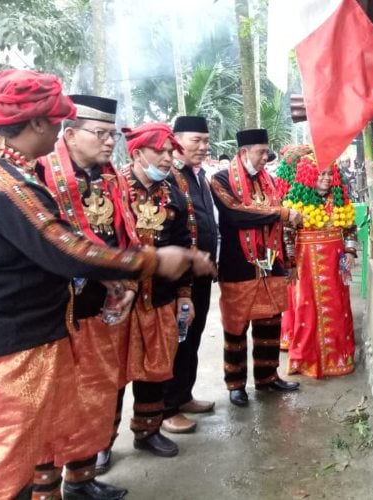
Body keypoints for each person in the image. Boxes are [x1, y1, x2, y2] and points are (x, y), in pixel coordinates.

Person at [0, 69, 204, 500]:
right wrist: (152, 261)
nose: (60, 132)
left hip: (52, 325)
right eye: (62, 124)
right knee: (7, 469)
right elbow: (66, 249)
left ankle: (76, 481)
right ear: (41, 123)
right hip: (10, 345)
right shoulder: (7, 183)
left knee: (78, 409)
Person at [36, 94, 137, 499]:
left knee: (97, 393)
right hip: (58, 312)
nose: (109, 141)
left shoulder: (109, 176)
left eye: (113, 134)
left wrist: (128, 281)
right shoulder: (40, 175)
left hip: (101, 307)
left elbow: (125, 234)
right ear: (71, 134)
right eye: (100, 133)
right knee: (55, 401)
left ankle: (81, 478)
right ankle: (45, 487)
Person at [210, 128, 302, 407]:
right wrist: (281, 213)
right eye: (261, 152)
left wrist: (289, 261)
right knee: (236, 327)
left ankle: (267, 377)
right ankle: (236, 384)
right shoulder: (220, 180)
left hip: (270, 263)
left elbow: (280, 224)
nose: (266, 157)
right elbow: (236, 214)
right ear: (242, 152)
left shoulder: (270, 182)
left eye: (267, 151)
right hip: (237, 264)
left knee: (270, 323)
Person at [121, 123, 195, 458]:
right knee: (112, 374)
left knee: (156, 366)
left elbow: (183, 247)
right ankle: (98, 448)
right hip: (118, 303)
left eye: (170, 152)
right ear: (137, 153)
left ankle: (147, 431)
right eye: (160, 152)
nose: (168, 159)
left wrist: (184, 295)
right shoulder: (114, 190)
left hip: (161, 298)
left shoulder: (173, 194)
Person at [277, 146, 357, 377]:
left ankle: (337, 358)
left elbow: (350, 229)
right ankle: (306, 359)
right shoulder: (295, 201)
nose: (325, 179)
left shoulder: (340, 201)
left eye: (329, 175)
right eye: (320, 174)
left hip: (335, 264)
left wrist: (350, 253)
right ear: (310, 176)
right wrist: (290, 264)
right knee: (307, 310)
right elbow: (287, 234)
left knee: (337, 308)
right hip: (306, 265)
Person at [161, 116, 219, 434]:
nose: (202, 146)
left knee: (193, 337)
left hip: (200, 275)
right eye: (196, 140)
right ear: (177, 139)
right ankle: (166, 407)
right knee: (177, 339)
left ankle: (184, 395)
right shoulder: (169, 176)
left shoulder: (199, 176)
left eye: (206, 141)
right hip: (177, 276)